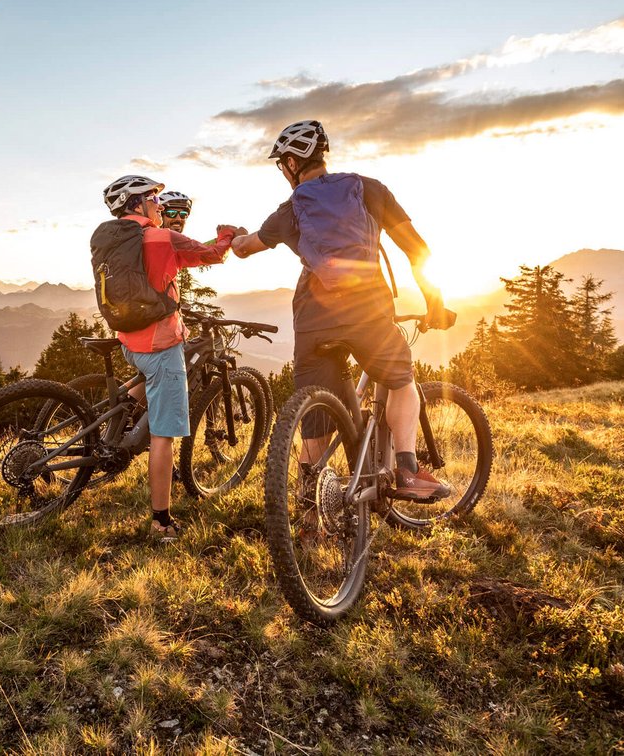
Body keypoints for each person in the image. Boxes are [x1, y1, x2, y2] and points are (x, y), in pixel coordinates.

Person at [230, 120, 456, 505]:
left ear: (290, 163)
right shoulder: (369, 189)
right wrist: (433, 300)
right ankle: (406, 469)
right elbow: (417, 250)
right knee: (401, 380)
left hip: (313, 320)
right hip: (367, 312)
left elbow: (245, 247)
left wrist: (234, 236)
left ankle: (309, 514)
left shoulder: (289, 210)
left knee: (314, 422)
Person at [99, 175, 242, 542]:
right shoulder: (162, 237)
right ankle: (161, 522)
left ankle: (113, 430)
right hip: (161, 345)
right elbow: (209, 253)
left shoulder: (114, 239)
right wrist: (226, 233)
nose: (159, 206)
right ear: (137, 204)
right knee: (164, 436)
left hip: (129, 339)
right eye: (153, 199)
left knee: (148, 379)